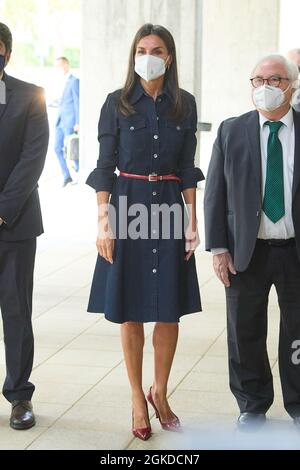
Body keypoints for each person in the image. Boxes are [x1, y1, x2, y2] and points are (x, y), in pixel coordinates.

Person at [86, 23, 203, 440]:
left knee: (168, 310)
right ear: (133, 55)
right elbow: (103, 168)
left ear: (169, 57)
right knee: (132, 309)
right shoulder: (115, 104)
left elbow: (189, 166)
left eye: (156, 49)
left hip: (170, 203)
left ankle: (161, 391)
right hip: (128, 204)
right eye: (141, 48)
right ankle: (138, 397)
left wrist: (192, 219)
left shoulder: (183, 104)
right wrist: (104, 222)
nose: (148, 55)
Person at [204, 54, 300, 432]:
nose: (265, 87)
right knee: (244, 330)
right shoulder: (232, 131)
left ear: (292, 84)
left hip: (295, 250)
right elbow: (215, 193)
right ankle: (252, 403)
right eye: (257, 80)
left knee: (297, 332)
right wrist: (218, 249)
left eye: (274, 80)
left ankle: (298, 403)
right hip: (247, 251)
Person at [0, 23, 49, 429]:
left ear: (7, 53)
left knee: (17, 314)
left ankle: (19, 396)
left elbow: (32, 159)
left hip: (14, 226)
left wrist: (1, 210)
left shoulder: (30, 96)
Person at [54, 57, 79, 187]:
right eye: (56, 66)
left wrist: (78, 122)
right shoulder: (61, 81)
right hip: (60, 121)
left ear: (67, 65)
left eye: (60, 65)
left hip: (70, 121)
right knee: (57, 148)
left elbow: (77, 101)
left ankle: (80, 173)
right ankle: (67, 176)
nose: (58, 69)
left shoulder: (74, 81)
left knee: (73, 149)